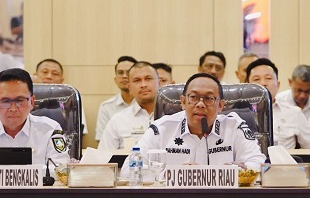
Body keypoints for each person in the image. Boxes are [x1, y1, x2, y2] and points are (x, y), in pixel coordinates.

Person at [120, 73, 265, 176]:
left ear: (220, 105)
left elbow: (259, 163)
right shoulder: (161, 129)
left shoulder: (234, 126)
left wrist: (218, 173)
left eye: (209, 98)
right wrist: (172, 174)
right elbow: (129, 169)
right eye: (194, 97)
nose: (201, 104)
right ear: (183, 102)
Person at [246, 58, 310, 149]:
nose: (263, 83)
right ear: (247, 86)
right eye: (256, 79)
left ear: (278, 85)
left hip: (283, 163)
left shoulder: (294, 113)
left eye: (268, 78)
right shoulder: (236, 115)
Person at [99, 62, 160, 150]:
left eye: (148, 79)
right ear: (129, 87)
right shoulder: (118, 120)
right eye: (137, 80)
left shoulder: (174, 117)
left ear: (159, 82)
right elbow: (103, 158)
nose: (143, 85)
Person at [34, 58, 88, 135]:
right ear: (35, 75)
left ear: (61, 79)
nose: (49, 76)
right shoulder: (23, 99)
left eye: (55, 74)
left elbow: (78, 134)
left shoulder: (71, 100)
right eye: (45, 72)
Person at [95, 56, 137, 141]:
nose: (124, 76)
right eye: (120, 72)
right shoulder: (106, 107)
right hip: (114, 153)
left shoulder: (147, 105)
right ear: (115, 79)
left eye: (128, 72)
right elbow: (102, 141)